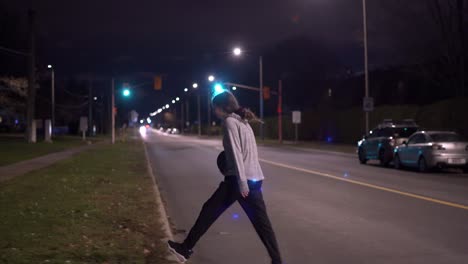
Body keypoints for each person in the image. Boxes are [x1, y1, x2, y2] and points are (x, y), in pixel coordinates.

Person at [168, 90, 283, 264]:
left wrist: (242, 182)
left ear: (223, 107)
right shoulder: (244, 122)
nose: (215, 112)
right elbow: (250, 154)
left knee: (209, 210)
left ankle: (184, 249)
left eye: (215, 108)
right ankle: (277, 261)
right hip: (255, 179)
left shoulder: (230, 122)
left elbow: (237, 154)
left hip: (238, 181)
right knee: (263, 225)